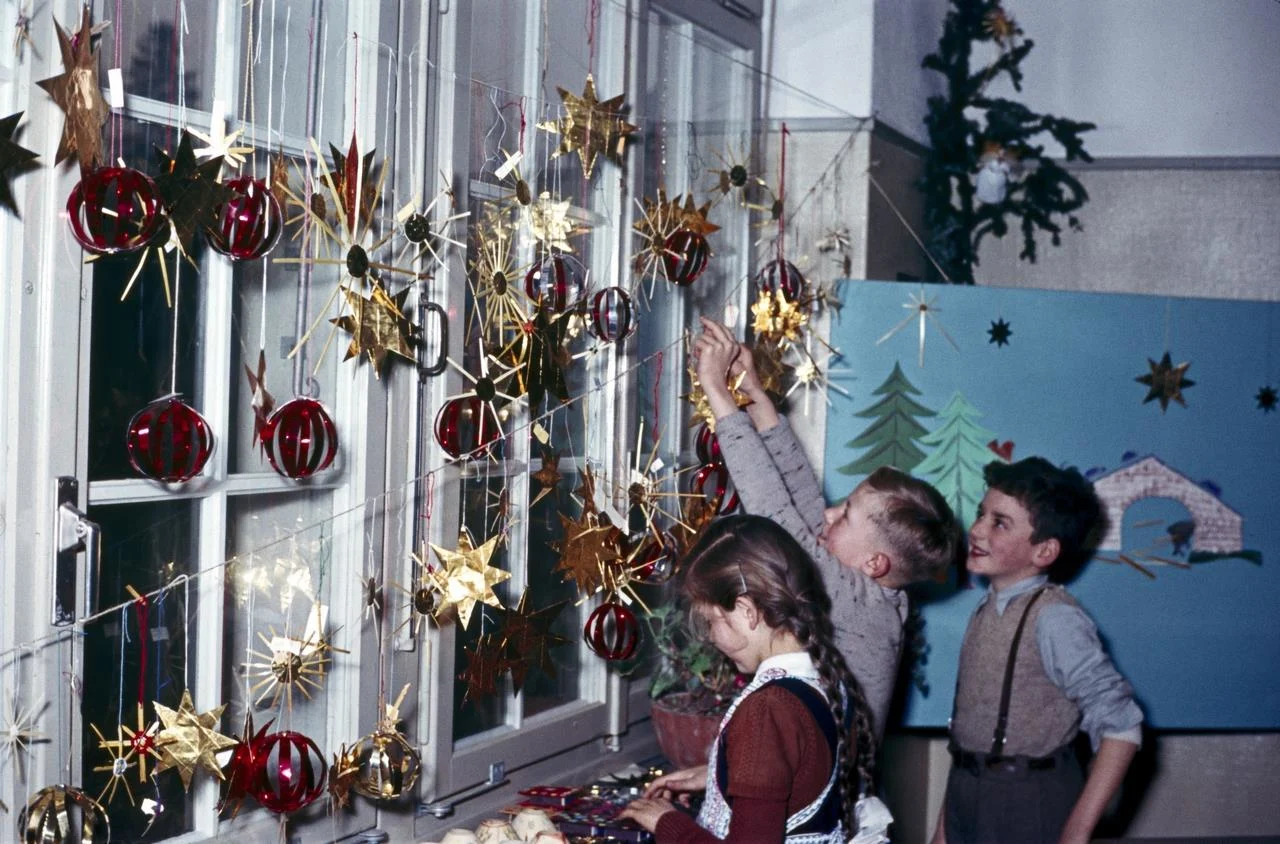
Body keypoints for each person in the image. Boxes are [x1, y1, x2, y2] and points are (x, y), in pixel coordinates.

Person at [693, 316, 963, 739]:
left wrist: (717, 393)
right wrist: (755, 397)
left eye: (846, 515)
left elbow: (776, 515)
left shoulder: (866, 608)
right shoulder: (874, 590)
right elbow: (802, 497)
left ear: (874, 563)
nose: (830, 513)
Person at [620, 514, 887, 843]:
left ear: (747, 611)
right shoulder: (826, 679)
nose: (710, 637)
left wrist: (667, 823)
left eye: (710, 621)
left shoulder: (767, 710)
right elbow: (801, 776)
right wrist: (719, 777)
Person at [930, 457, 1144, 844]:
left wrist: (1077, 831)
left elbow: (1122, 726)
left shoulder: (1055, 617)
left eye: (999, 522)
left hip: (1028, 802)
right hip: (968, 794)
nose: (976, 530)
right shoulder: (984, 611)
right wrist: (944, 830)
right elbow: (971, 737)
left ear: (1044, 551)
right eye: (981, 514)